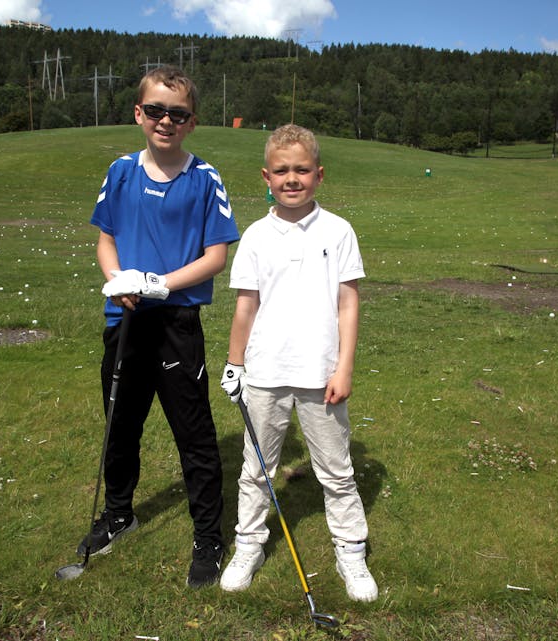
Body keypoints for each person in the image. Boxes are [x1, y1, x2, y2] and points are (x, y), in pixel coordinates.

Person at [79, 65, 240, 588]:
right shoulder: (120, 171)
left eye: (178, 113)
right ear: (138, 113)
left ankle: (208, 537)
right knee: (120, 425)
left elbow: (216, 257)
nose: (165, 121)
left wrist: (159, 283)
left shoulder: (204, 177)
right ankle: (119, 514)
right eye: (155, 111)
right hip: (125, 318)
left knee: (194, 435)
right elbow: (106, 239)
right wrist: (117, 281)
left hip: (175, 321)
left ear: (191, 122)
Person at [218, 124, 378, 601]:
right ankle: (249, 545)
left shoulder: (338, 231)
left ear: (319, 175)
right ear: (266, 177)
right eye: (282, 170)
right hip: (265, 373)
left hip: (320, 374)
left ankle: (350, 549)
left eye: (302, 170)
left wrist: (344, 367)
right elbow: (246, 306)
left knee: (337, 470)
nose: (292, 178)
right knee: (256, 469)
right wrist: (235, 364)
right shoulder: (255, 236)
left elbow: (348, 303)